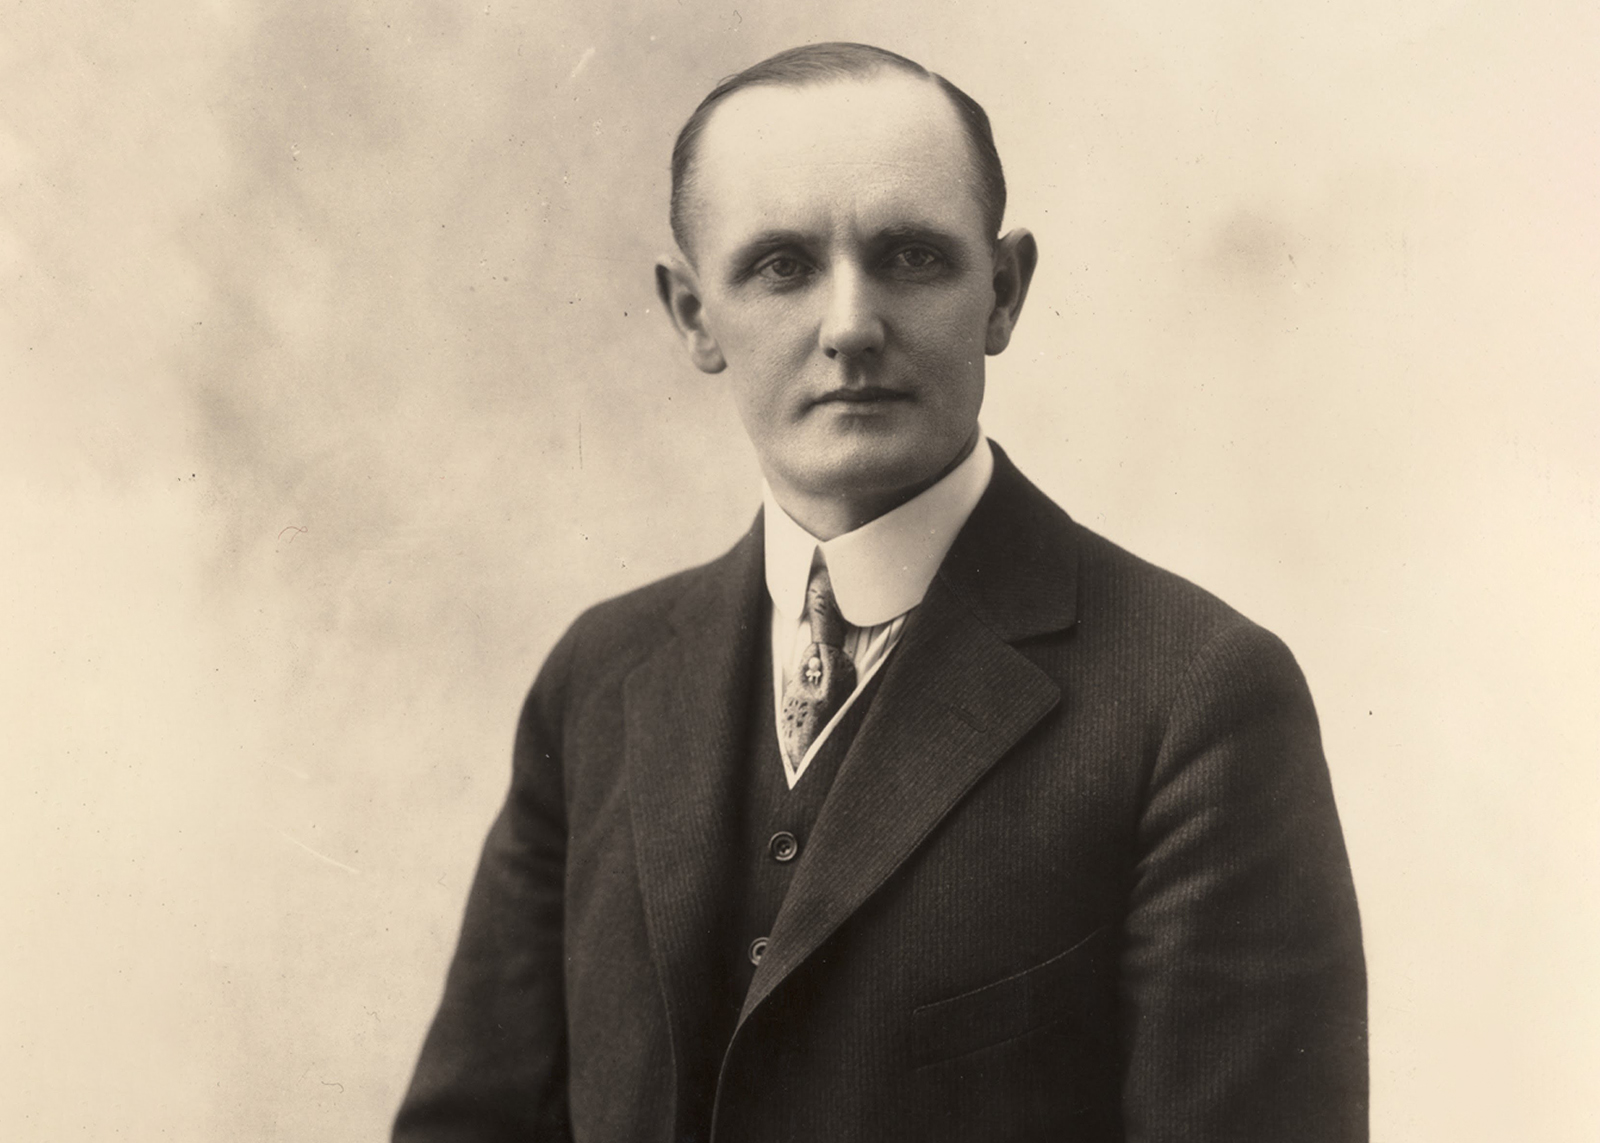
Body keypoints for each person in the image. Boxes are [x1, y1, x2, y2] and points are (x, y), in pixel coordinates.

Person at [393, 42, 1367, 1143]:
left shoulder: (1193, 698)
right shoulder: (599, 677)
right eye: (780, 265)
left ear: (1000, 293)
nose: (850, 325)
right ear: (690, 314)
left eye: (909, 258)